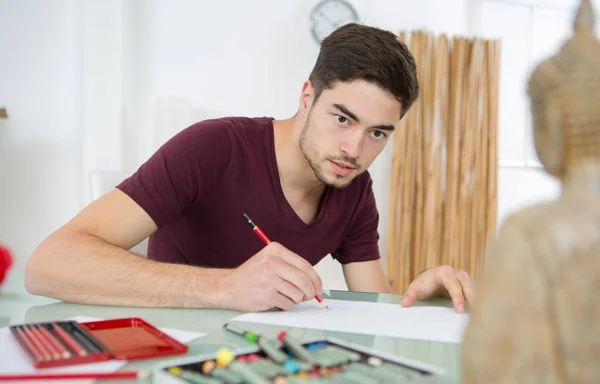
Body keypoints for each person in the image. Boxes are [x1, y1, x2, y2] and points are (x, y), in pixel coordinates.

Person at [25, 23, 475, 313]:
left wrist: (417, 301)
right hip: (173, 358)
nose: (354, 149)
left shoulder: (355, 190)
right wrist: (225, 289)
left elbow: (370, 306)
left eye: (378, 132)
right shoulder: (213, 147)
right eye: (342, 118)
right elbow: (47, 265)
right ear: (306, 97)